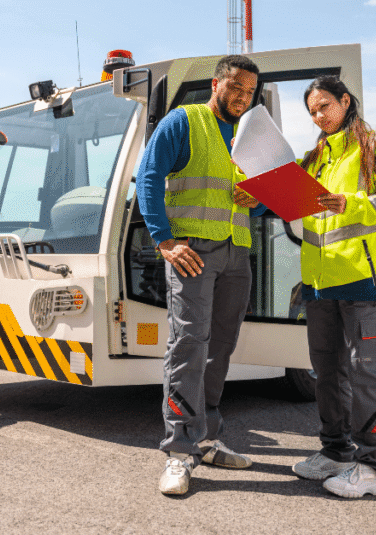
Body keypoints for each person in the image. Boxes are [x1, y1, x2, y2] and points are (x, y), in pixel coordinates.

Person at [135, 55, 267, 496]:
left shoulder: (250, 135)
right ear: (217, 84)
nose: (242, 97)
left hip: (237, 253)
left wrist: (258, 200)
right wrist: (165, 241)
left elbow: (266, 195)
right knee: (189, 346)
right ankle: (178, 452)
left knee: (221, 349)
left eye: (249, 92)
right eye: (236, 89)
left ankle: (206, 440)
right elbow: (149, 177)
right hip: (193, 252)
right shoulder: (183, 121)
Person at [289, 75, 376, 498]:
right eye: (311, 111)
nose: (318, 116)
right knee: (328, 372)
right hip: (320, 284)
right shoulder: (315, 158)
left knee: (367, 374)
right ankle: (337, 451)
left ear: (345, 100)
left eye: (324, 106)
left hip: (363, 278)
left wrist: (353, 202)